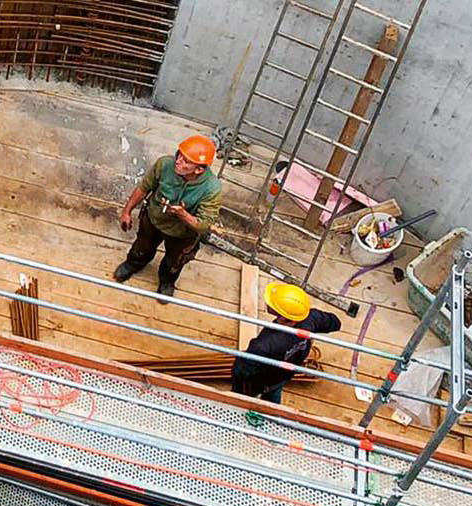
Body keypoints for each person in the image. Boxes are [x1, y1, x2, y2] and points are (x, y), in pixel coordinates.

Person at [114, 134, 222, 297]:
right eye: (179, 155)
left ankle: (167, 281)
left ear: (199, 169)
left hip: (182, 233)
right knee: (141, 247)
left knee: (174, 261)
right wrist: (126, 211)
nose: (178, 161)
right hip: (153, 219)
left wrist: (183, 214)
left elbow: (204, 224)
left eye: (186, 161)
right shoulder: (164, 165)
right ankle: (133, 264)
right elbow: (144, 188)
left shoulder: (211, 189)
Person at [232, 282, 341, 409]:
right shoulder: (311, 319)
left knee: (241, 401)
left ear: (282, 316)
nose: (268, 303)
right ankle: (272, 414)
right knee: (273, 398)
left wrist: (238, 388)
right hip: (284, 375)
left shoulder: (263, 344)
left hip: (260, 381)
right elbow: (335, 323)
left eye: (272, 304)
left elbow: (242, 371)